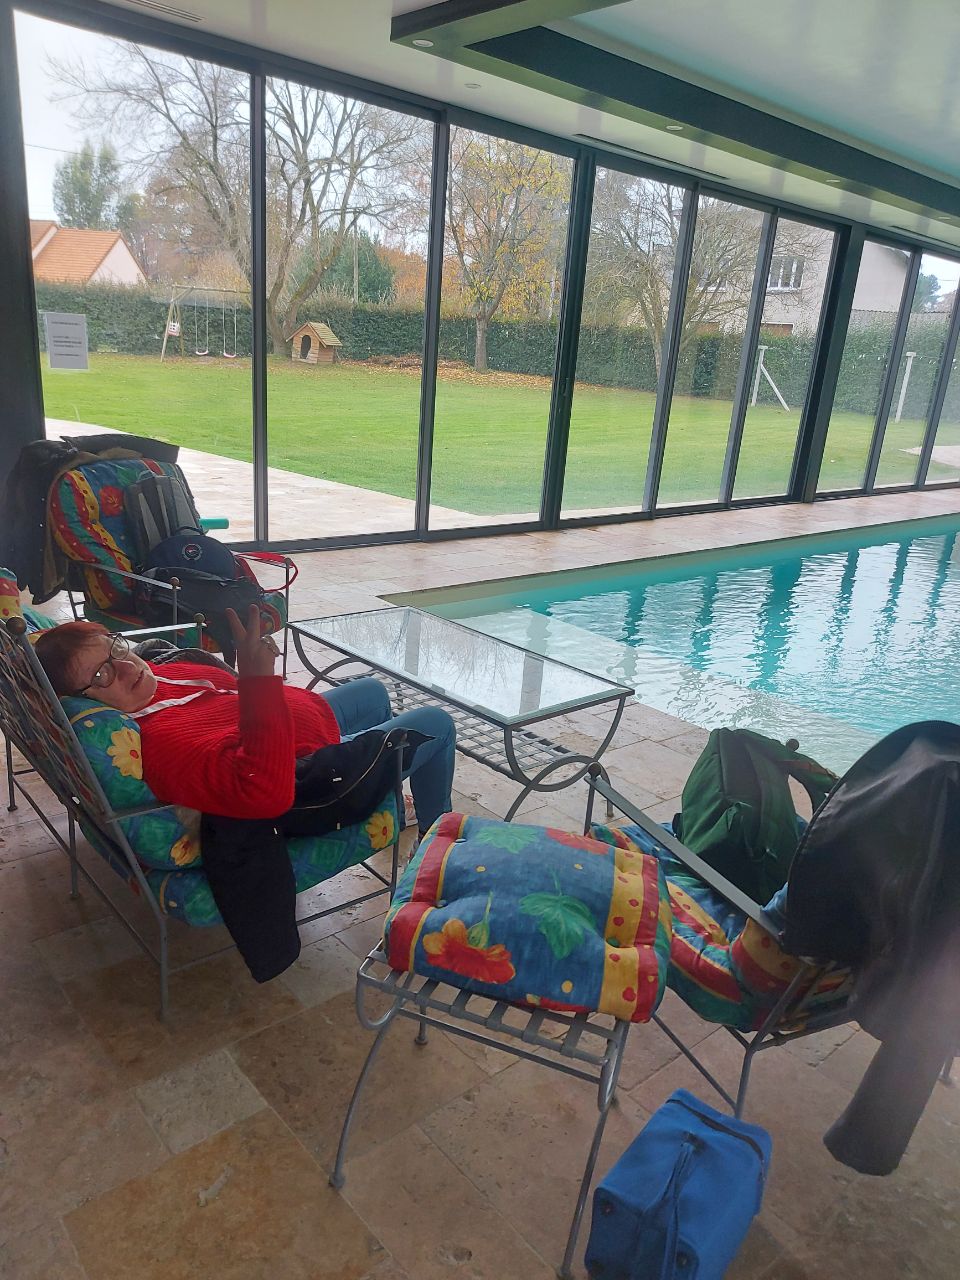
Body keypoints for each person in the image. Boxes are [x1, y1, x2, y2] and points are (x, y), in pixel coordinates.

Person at [34, 606, 455, 838]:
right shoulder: (161, 743)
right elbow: (264, 793)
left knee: (373, 692)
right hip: (307, 772)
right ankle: (436, 847)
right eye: (102, 675)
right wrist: (257, 683)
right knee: (436, 723)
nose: (126, 667)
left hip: (300, 727)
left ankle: (392, 802)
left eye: (116, 649)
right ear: (82, 699)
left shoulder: (158, 676)